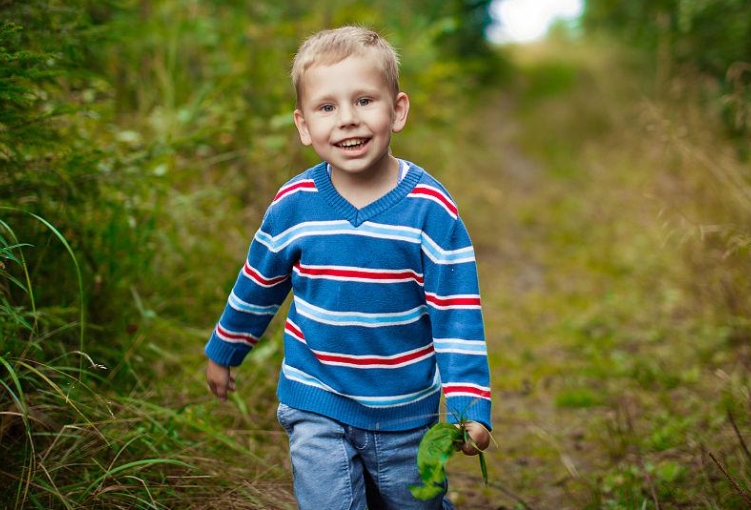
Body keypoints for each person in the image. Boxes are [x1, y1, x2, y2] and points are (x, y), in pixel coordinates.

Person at [205, 25, 492, 510]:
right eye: (327, 107)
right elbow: (258, 284)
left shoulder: (430, 210)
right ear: (303, 125)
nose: (347, 121)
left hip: (405, 412)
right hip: (315, 396)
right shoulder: (294, 206)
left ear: (397, 110)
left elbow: (456, 315)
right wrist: (225, 349)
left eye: (364, 101)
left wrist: (468, 407)